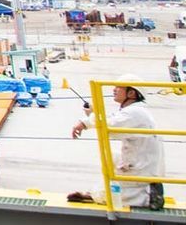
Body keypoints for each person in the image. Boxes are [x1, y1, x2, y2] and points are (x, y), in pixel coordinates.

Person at [69, 73, 167, 210]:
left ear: (131, 93)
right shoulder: (135, 111)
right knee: (112, 157)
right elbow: (112, 121)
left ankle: (148, 197)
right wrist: (92, 115)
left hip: (140, 172)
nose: (114, 90)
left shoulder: (135, 113)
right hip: (140, 165)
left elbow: (110, 126)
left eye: (118, 88)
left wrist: (85, 122)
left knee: (107, 196)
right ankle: (99, 193)